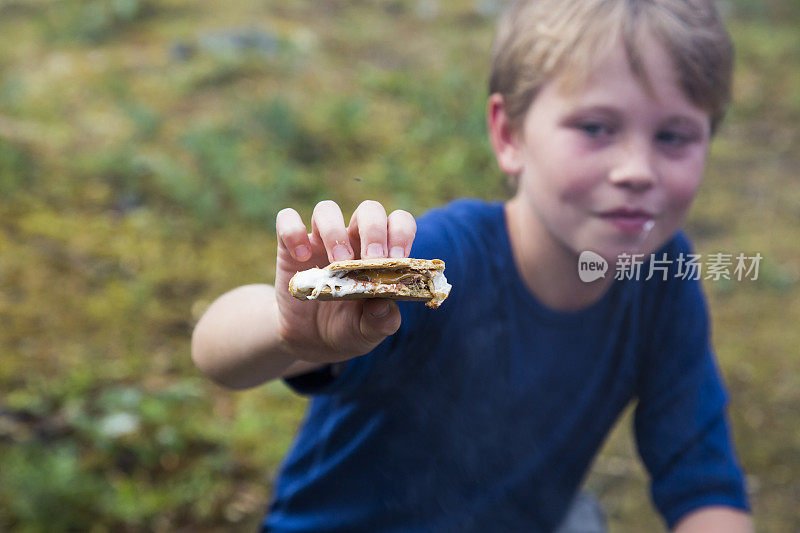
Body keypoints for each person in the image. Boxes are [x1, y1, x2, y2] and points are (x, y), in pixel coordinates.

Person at [191, 0, 754, 531]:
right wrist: (289, 329)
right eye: (596, 128)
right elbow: (217, 351)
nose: (636, 169)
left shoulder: (660, 276)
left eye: (674, 136)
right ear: (509, 135)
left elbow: (703, 481)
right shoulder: (444, 258)